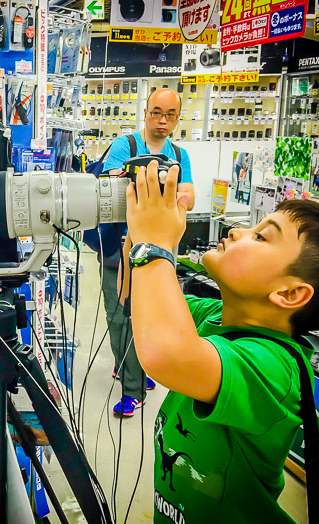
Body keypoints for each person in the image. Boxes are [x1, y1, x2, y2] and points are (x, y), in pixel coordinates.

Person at [122, 160, 319, 524]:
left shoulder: (275, 367)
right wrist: (140, 223)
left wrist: (153, 243)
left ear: (289, 293)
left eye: (261, 237)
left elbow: (164, 354)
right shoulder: (213, 317)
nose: (238, 231)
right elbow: (135, 299)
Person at [101, 88, 195, 417]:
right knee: (119, 315)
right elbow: (108, 186)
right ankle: (131, 377)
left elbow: (188, 197)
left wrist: (150, 187)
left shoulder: (180, 155)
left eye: (170, 114)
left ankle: (136, 384)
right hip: (120, 248)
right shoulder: (124, 145)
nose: (163, 120)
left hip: (157, 252)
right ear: (146, 111)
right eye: (157, 112)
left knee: (148, 317)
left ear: (177, 117)